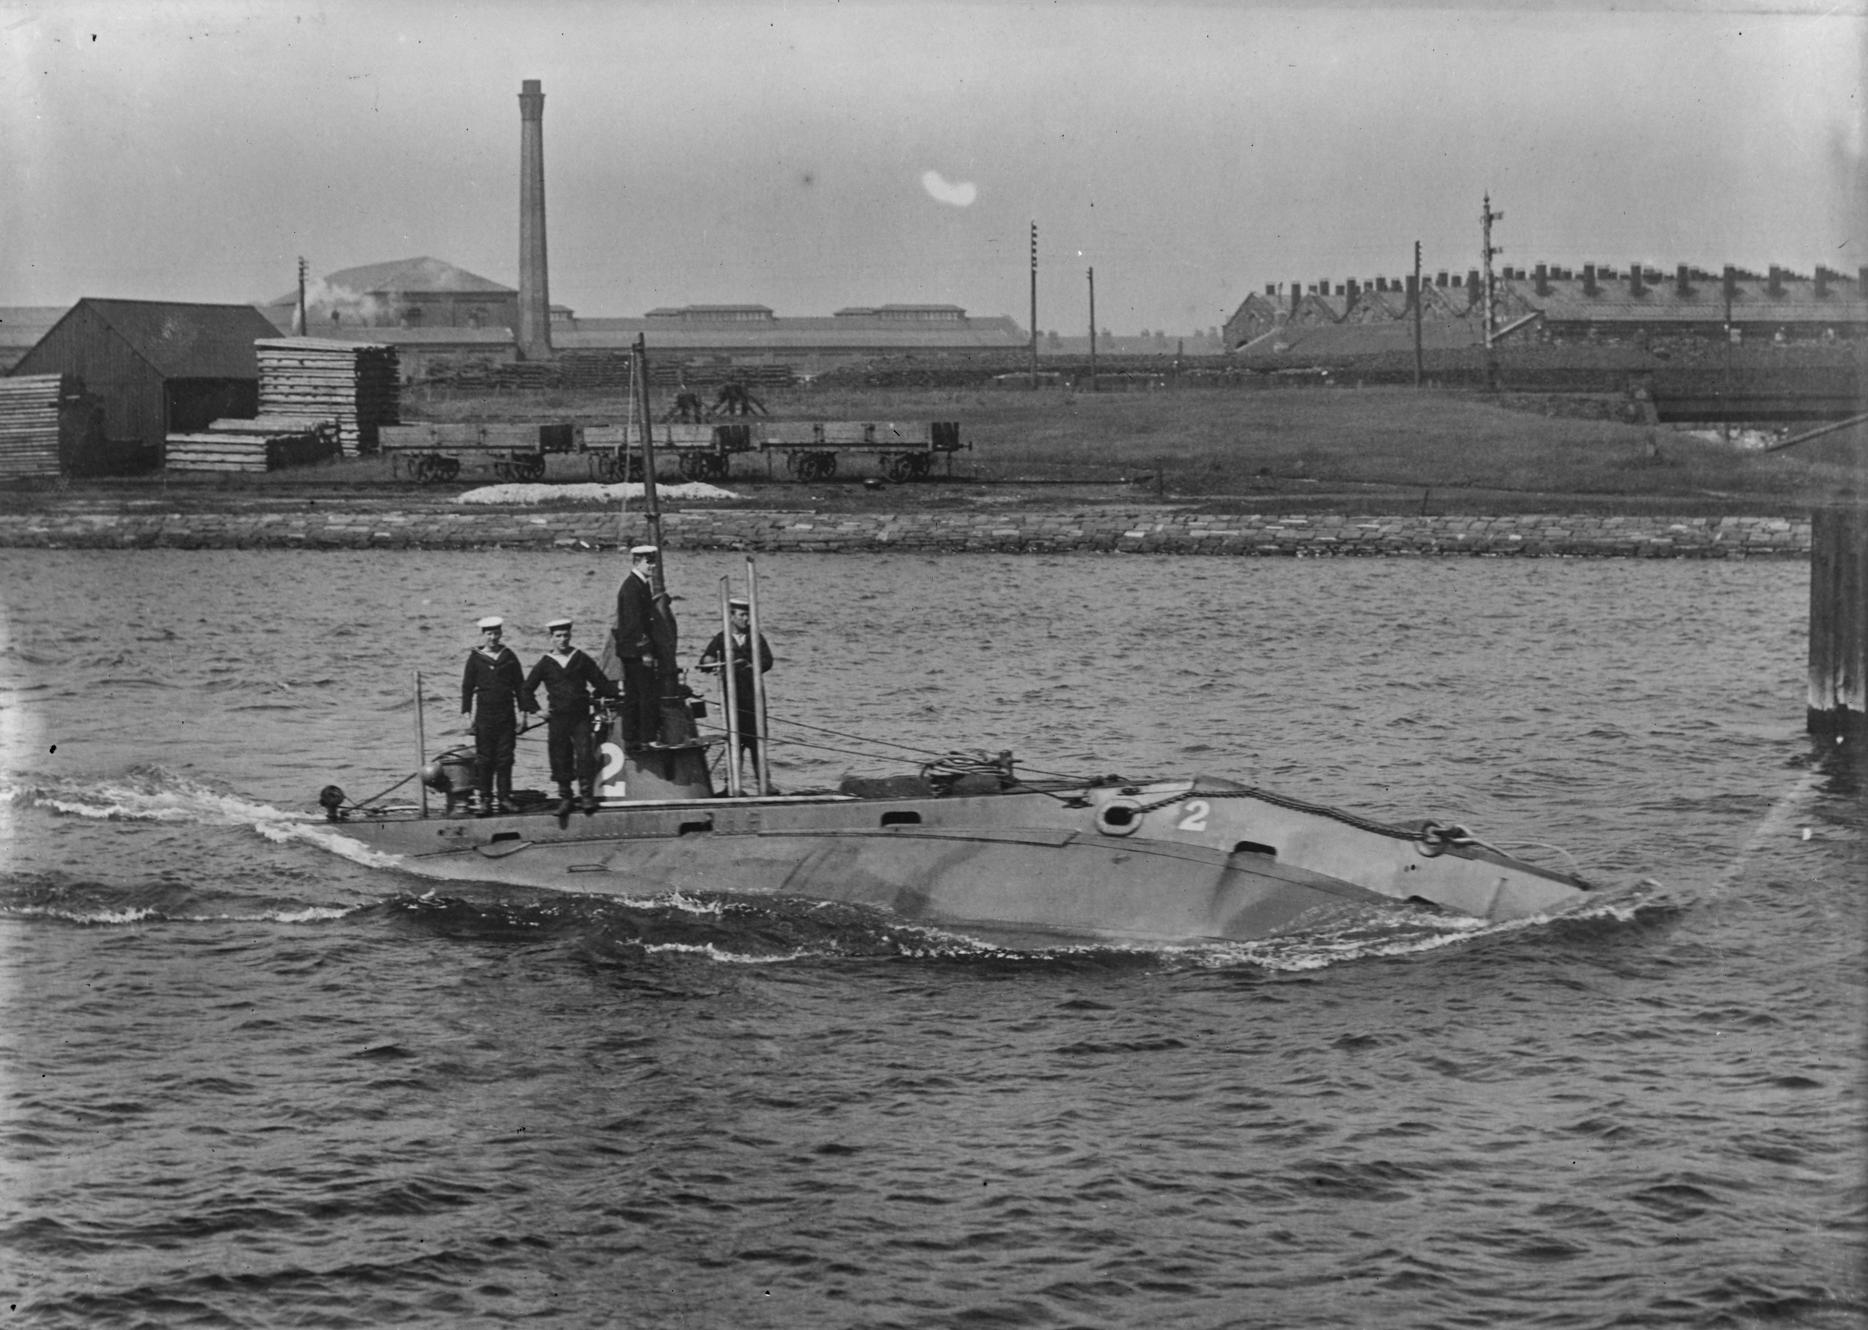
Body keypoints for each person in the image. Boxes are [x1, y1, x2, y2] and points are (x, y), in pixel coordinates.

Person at [523, 618, 619, 816]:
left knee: (585, 755)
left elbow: (600, 682)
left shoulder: (580, 658)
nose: (563, 640)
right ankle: (565, 797)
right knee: (560, 756)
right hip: (557, 718)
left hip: (580, 716)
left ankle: (586, 796)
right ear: (551, 639)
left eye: (566, 635)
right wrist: (538, 711)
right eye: (558, 636)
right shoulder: (545, 663)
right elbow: (526, 690)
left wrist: (620, 694)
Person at [697, 597, 774, 790]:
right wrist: (710, 661)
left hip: (754, 696)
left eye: (747, 615)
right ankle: (733, 785)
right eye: (742, 615)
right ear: (731, 617)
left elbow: (768, 661)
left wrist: (751, 665)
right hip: (733, 699)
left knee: (758, 742)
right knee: (735, 742)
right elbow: (706, 660)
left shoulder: (756, 637)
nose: (746, 619)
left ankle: (764, 785)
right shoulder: (722, 638)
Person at [460, 616, 534, 815]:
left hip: (506, 715)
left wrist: (523, 714)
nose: (493, 637)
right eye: (489, 634)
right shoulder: (476, 658)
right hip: (484, 716)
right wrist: (467, 715)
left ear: (501, 633)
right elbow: (467, 687)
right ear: (483, 635)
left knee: (505, 758)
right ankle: (484, 798)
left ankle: (504, 797)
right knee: (484, 759)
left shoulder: (508, 656)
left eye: (496, 633)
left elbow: (520, 686)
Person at [613, 545, 677, 750]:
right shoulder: (632, 588)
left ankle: (631, 737)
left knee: (633, 694)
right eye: (648, 562)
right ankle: (646, 737)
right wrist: (646, 651)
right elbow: (634, 623)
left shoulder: (639, 585)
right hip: (636, 651)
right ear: (636, 562)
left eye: (653, 561)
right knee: (645, 694)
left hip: (630, 650)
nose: (653, 566)